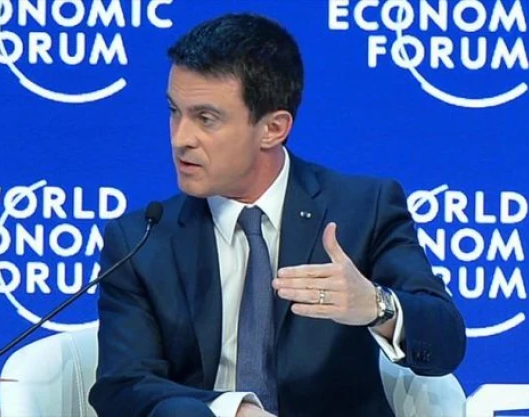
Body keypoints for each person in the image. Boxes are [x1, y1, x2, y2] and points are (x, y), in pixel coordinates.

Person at [87, 12, 466, 417]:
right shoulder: (141, 240)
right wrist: (233, 411)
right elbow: (123, 385)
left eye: (206, 119)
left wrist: (377, 305)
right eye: (174, 111)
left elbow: (445, 344)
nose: (181, 138)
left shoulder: (363, 209)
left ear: (273, 128)